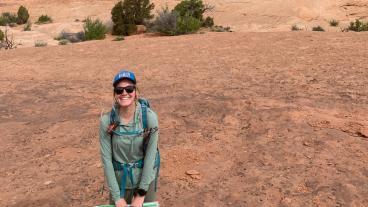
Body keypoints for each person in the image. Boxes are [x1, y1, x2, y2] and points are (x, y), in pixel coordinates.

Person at [99, 70, 159, 207]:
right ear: (115, 94)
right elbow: (106, 160)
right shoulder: (106, 121)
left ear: (136, 92)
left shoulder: (149, 118)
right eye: (119, 90)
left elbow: (151, 156)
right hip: (119, 181)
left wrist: (141, 193)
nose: (124, 93)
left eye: (129, 89)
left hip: (144, 178)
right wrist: (116, 197)